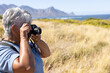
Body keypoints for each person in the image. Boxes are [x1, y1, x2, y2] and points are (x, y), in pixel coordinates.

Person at [0, 7, 50, 73]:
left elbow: (46, 54)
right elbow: (27, 68)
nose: (30, 29)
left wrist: (38, 41)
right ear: (14, 29)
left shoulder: (26, 44)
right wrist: (23, 37)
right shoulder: (2, 50)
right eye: (26, 26)